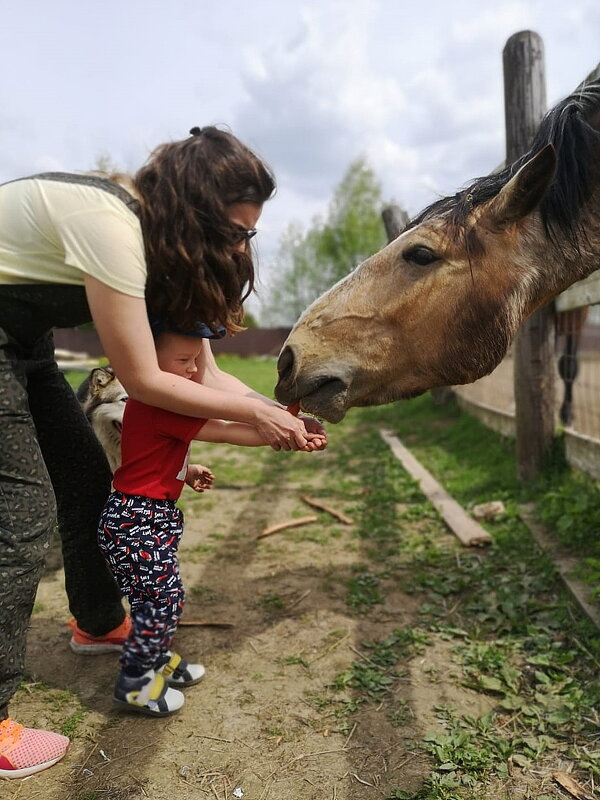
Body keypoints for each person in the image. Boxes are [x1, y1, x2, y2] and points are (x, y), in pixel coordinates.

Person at [0, 126, 326, 777]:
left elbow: (205, 380)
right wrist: (257, 412)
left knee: (86, 476)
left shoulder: (161, 260)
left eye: (248, 235)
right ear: (194, 208)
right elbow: (147, 382)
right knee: (22, 512)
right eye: (235, 230)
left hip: (22, 337)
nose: (239, 246)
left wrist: (272, 415)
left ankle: (97, 622)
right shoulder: (113, 229)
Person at [100, 326, 326, 717]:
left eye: (195, 361)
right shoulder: (158, 402)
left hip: (141, 516)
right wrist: (286, 431)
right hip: (138, 520)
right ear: (147, 362)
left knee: (153, 599)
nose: (192, 371)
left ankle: (156, 658)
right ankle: (136, 681)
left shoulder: (154, 405)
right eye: (183, 361)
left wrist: (184, 471)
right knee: (163, 601)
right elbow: (224, 431)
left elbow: (151, 452)